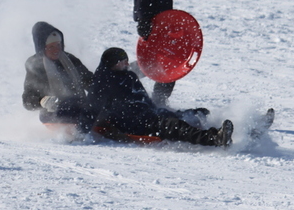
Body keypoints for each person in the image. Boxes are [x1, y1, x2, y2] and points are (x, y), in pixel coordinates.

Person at [88, 47, 233, 147]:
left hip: (150, 113)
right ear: (111, 64)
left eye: (126, 59)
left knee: (198, 113)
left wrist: (165, 60)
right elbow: (92, 107)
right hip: (134, 124)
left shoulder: (127, 73)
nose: (126, 62)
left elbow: (144, 67)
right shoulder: (102, 83)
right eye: (122, 61)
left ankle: (238, 131)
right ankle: (215, 138)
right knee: (175, 126)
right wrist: (82, 131)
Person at [22, 21, 95, 132]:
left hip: (79, 106)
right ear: (42, 48)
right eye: (51, 47)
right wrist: (42, 101)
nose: (56, 50)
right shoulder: (35, 65)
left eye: (58, 45)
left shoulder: (70, 59)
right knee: (68, 113)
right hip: (54, 111)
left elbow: (88, 80)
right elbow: (27, 100)